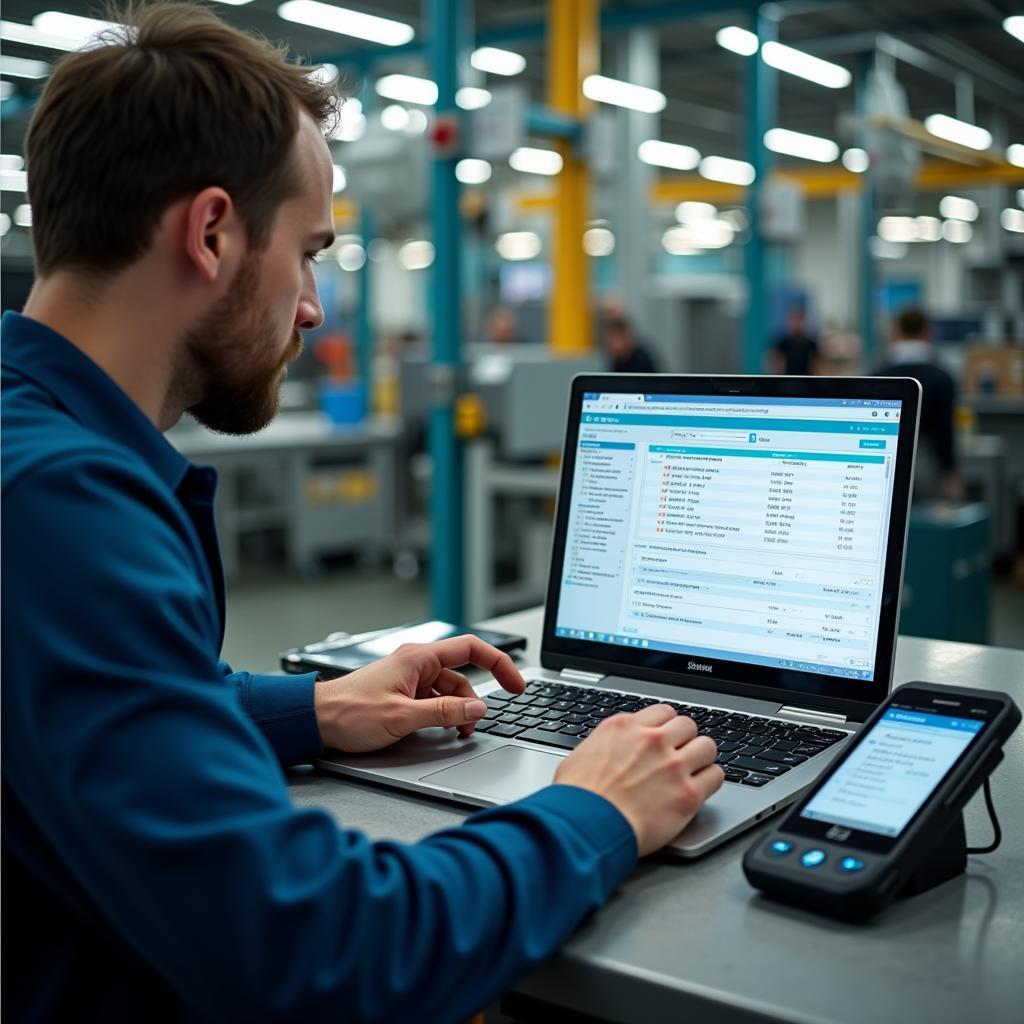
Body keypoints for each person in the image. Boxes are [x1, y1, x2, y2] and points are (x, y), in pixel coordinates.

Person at [0, 6, 723, 1022]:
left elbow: (66, 707)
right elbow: (320, 953)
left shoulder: (25, 441)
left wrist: (314, 710)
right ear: (210, 232)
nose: (311, 306)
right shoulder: (63, 506)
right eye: (309, 253)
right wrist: (594, 809)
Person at [872, 307, 962, 501]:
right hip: (926, 465)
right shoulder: (942, 378)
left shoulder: (877, 376)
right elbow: (944, 431)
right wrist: (950, 470)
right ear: (927, 333)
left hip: (884, 462)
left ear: (896, 333)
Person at [770, 305, 821, 376]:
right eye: (794, 319)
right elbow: (775, 364)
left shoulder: (812, 344)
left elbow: (818, 366)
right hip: (786, 382)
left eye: (800, 320)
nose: (797, 324)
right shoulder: (782, 343)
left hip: (807, 382)